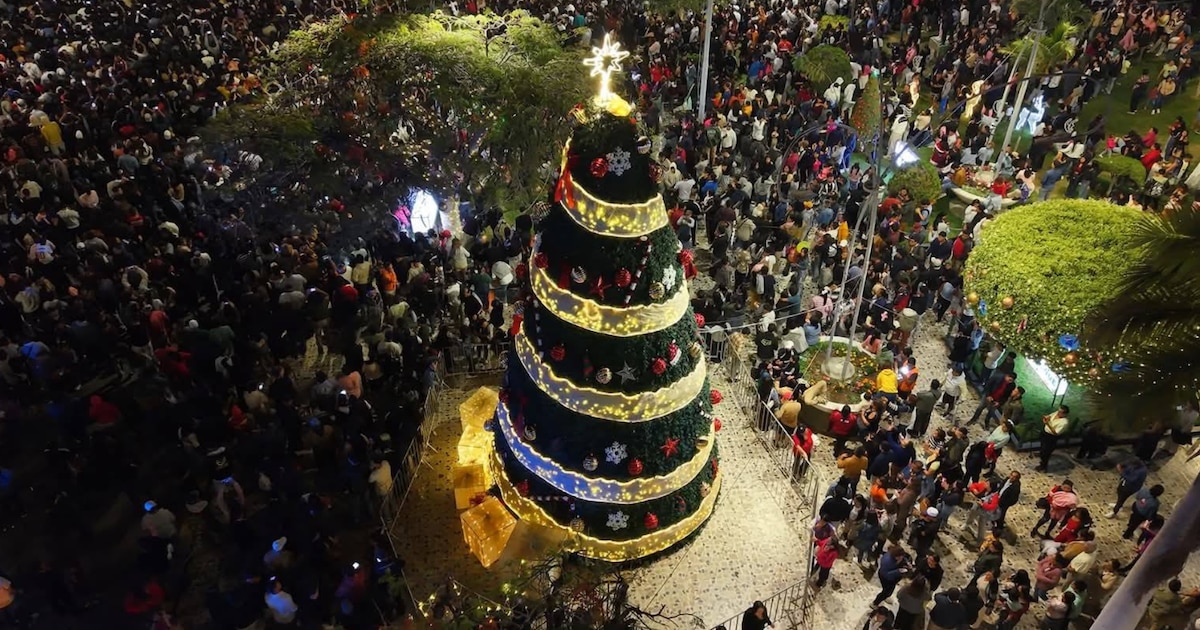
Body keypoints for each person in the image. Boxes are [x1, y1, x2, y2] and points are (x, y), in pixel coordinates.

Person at [1037, 405, 1070, 472]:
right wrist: (1046, 418)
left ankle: (1043, 466)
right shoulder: (1056, 413)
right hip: (1045, 434)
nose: (1058, 413)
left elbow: (1056, 433)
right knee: (1042, 449)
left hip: (1051, 437)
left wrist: (1048, 424)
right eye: (1058, 411)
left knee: (1046, 452)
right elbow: (1049, 416)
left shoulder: (1064, 422)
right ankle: (1042, 460)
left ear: (1064, 414)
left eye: (1060, 412)